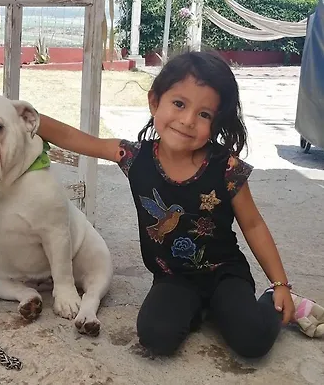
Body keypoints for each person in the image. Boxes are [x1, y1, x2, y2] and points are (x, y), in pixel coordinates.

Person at [36, 51, 323, 357]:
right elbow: (72, 136)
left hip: (225, 274)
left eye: (204, 114)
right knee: (155, 337)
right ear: (154, 101)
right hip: (173, 278)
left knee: (252, 341)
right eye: (179, 104)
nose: (187, 121)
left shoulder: (227, 168)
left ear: (216, 123)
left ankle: (270, 301)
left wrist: (280, 284)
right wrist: (20, 115)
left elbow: (253, 225)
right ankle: (200, 309)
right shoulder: (133, 158)